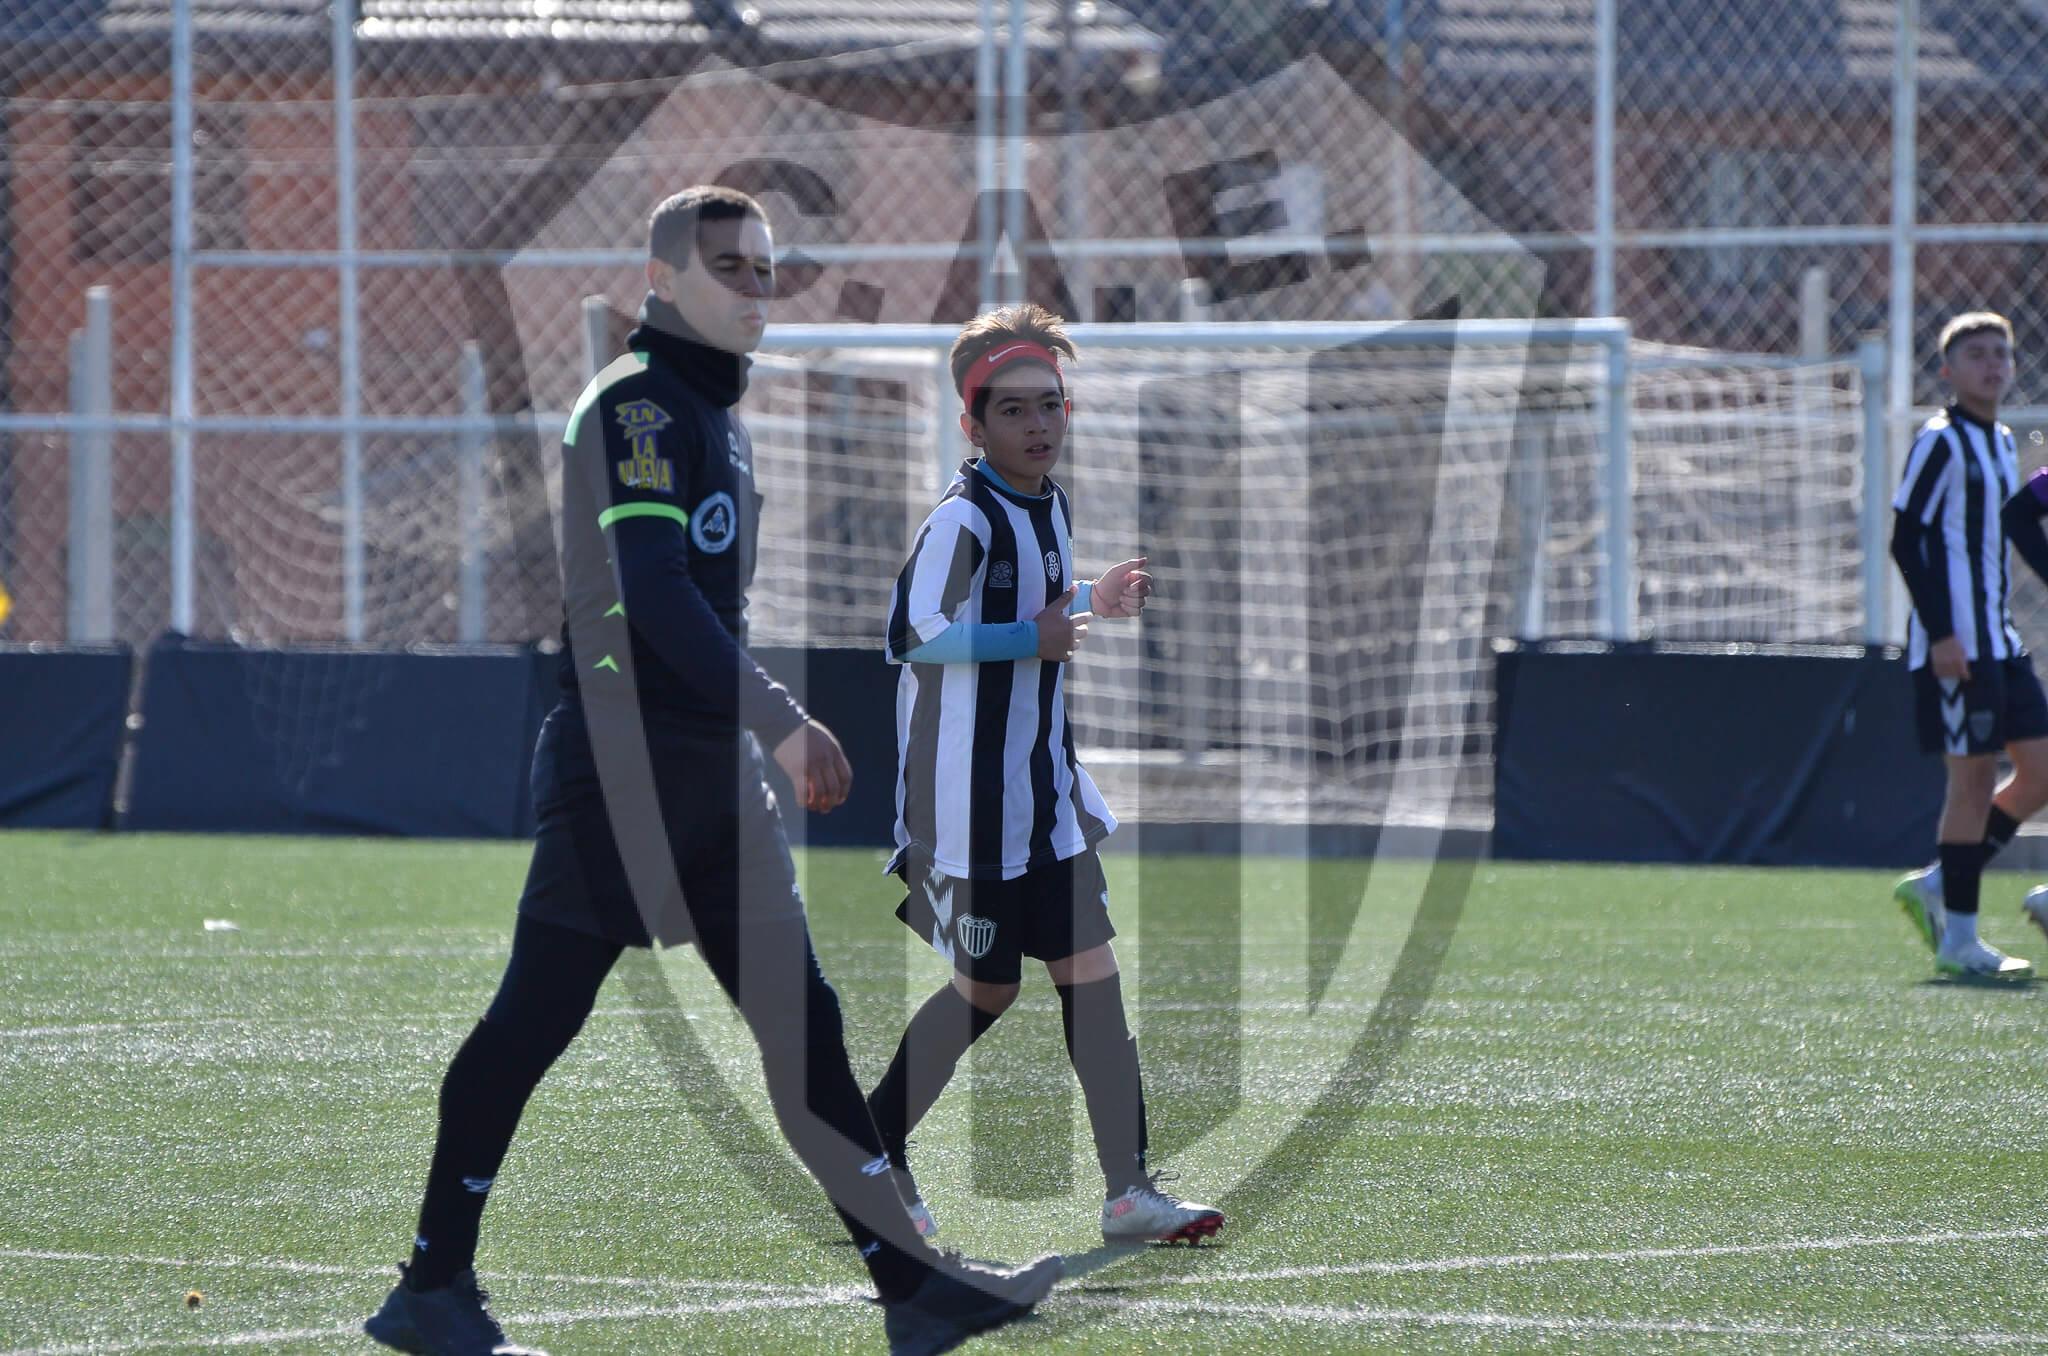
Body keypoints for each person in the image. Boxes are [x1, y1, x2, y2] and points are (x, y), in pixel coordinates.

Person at [364, 186, 1061, 1356]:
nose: (754, 289)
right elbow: (653, 590)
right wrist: (781, 718)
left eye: (765, 270)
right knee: (534, 1020)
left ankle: (913, 1290)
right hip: (625, 770)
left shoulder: (712, 411)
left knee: (803, 1024)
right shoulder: (637, 403)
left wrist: (750, 735)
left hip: (709, 773)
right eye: (729, 267)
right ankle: (431, 1288)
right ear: (662, 280)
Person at [868, 302, 1225, 1245]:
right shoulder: (961, 519)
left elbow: (1040, 605)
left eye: (1050, 405)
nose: (1037, 425)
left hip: (1045, 800)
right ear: (972, 425)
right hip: (962, 812)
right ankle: (872, 1154)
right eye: (1014, 409)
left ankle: (1129, 1192)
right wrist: (1034, 635)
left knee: (1092, 977)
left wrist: (1090, 598)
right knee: (986, 992)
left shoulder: (1051, 505)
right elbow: (914, 634)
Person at [1889, 311, 2042, 980]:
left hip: (2000, 641)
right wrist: (1943, 633)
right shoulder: (1940, 441)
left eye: (2000, 353)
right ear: (1948, 371)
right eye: (1976, 354)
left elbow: (2016, 527)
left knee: (2041, 772)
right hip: (1956, 644)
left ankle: (1939, 882)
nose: (1992, 365)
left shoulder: (2003, 442)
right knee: (1973, 780)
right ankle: (1959, 939)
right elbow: (1906, 539)